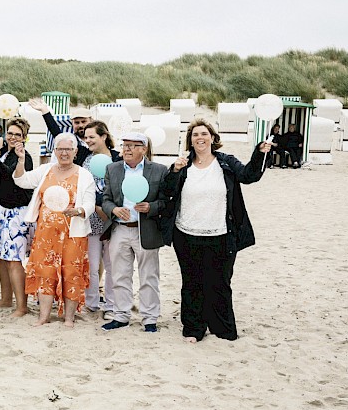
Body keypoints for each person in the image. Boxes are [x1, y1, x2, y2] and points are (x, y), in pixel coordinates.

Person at [162, 120, 269, 342]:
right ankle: (193, 328)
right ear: (190, 140)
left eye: (204, 134)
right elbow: (167, 191)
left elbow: (249, 175)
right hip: (186, 233)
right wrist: (174, 170)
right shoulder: (183, 165)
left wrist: (259, 153)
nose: (199, 138)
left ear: (212, 138)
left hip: (221, 234)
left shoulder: (226, 162)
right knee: (192, 283)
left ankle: (222, 328)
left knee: (220, 283)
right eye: (195, 135)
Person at [12, 132, 96, 328]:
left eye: (68, 149)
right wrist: (21, 160)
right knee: (45, 272)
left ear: (75, 151)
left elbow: (91, 203)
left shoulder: (84, 175)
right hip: (45, 234)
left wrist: (79, 210)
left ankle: (69, 318)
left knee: (71, 273)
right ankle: (44, 316)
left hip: (73, 234)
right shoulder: (46, 170)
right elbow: (21, 180)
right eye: (60, 149)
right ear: (55, 151)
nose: (64, 153)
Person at [100, 132, 171, 333]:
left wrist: (151, 207)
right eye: (125, 145)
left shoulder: (158, 170)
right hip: (120, 229)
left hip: (145, 229)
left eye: (133, 145)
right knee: (119, 275)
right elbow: (105, 199)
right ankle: (121, 315)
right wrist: (113, 209)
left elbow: (166, 201)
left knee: (149, 275)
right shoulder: (112, 169)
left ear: (144, 149)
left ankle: (149, 319)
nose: (127, 149)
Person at [0, 118, 35, 318]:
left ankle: (22, 306)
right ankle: (6, 299)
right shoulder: (5, 153)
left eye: (17, 135)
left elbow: (14, 179)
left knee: (14, 260)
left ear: (24, 138)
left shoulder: (24, 157)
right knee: (2, 258)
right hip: (2, 211)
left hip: (17, 211)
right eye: (10, 133)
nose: (12, 137)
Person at [81, 120, 123, 319]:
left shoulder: (118, 159)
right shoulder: (86, 159)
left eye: (92, 137)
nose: (87, 140)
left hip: (112, 218)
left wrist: (107, 208)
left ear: (104, 136)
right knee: (91, 263)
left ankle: (111, 304)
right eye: (86, 137)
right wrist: (96, 206)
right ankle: (91, 301)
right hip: (91, 218)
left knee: (111, 264)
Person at [29, 98, 94, 165]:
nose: (80, 125)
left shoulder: (98, 139)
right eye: (77, 123)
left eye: (84, 121)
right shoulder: (70, 141)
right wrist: (44, 111)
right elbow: (56, 132)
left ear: (91, 121)